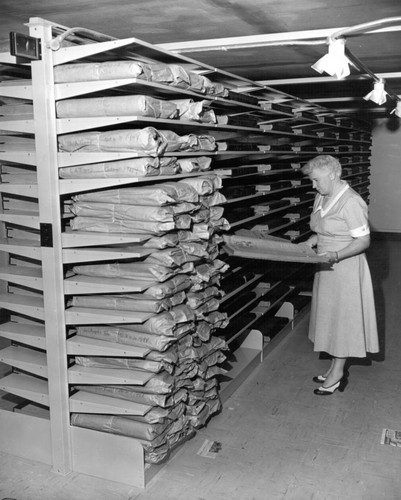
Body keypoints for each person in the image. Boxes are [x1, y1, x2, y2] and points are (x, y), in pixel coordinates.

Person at [299, 155, 379, 396]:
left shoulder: (351, 201)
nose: (314, 185)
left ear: (333, 175)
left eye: (316, 180)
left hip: (345, 266)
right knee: (332, 318)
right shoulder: (322, 196)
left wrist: (336, 254)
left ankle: (337, 375)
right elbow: (324, 228)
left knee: (343, 321)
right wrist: (312, 241)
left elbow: (363, 241)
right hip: (326, 264)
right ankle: (335, 366)